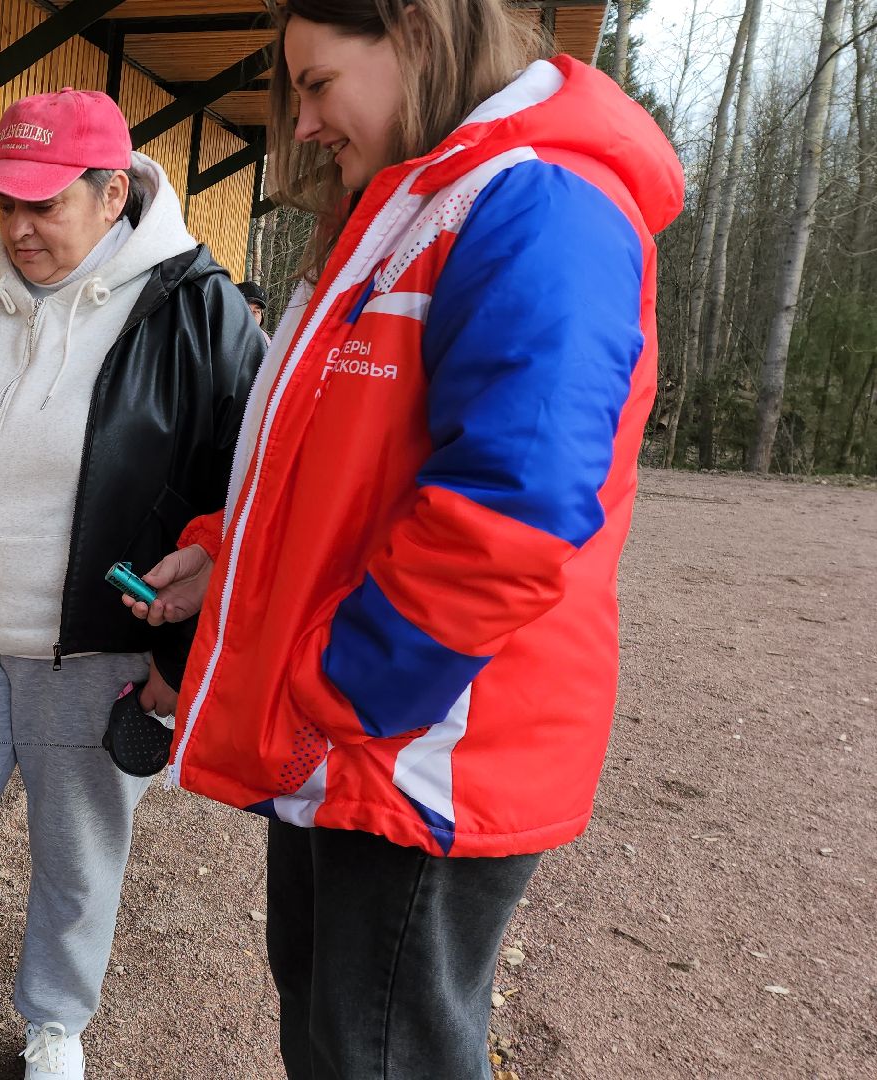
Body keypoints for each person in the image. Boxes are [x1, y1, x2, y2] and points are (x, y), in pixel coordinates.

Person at [125, 1, 684, 1076]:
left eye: (317, 83)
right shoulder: (414, 206)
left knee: (375, 1052)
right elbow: (333, 462)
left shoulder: (539, 206)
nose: (302, 123)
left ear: (416, 36)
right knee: (334, 1036)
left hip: (416, 748)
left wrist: (342, 688)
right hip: (361, 736)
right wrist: (224, 552)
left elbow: (514, 510)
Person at [0, 88, 265, 1080]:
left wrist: (178, 656)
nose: (18, 228)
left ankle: (54, 1023)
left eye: (43, 203)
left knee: (77, 850)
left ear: (112, 192)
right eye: (6, 203)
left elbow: (248, 495)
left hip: (91, 646)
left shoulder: (200, 308)